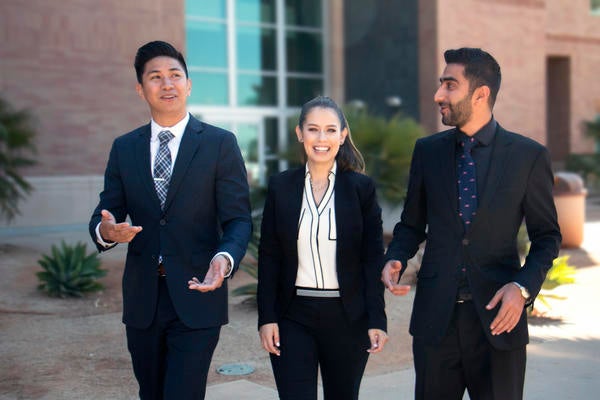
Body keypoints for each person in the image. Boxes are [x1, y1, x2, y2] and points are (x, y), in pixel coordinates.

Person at [382, 48, 561, 400]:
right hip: (436, 322)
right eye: (441, 85)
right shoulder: (427, 151)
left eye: (450, 85)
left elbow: (547, 237)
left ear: (481, 94)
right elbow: (411, 224)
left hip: (499, 321)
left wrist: (522, 287)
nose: (439, 95)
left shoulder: (528, 156)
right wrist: (396, 256)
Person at [88, 40, 252, 400]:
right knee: (152, 393)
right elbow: (105, 212)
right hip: (143, 301)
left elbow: (239, 220)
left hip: (198, 292)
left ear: (189, 85)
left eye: (175, 75)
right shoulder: (124, 148)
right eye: (156, 77)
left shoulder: (219, 144)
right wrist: (107, 231)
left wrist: (223, 261)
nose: (167, 84)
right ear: (140, 89)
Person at [257, 96, 388, 400]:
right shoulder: (281, 187)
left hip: (347, 318)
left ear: (343, 136)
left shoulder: (361, 189)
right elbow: (270, 257)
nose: (321, 138)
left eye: (330, 130)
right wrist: (267, 317)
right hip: (293, 316)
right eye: (313, 129)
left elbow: (372, 259)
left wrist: (377, 319)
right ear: (299, 133)